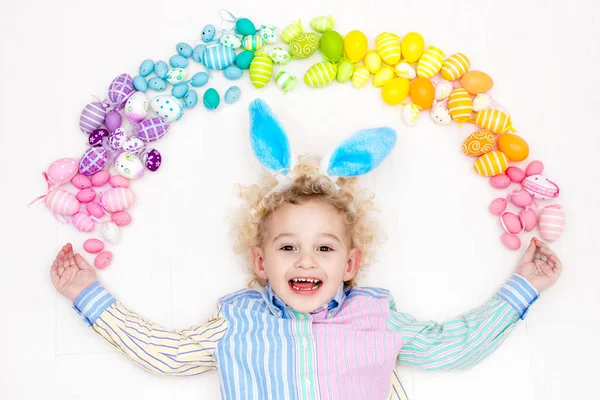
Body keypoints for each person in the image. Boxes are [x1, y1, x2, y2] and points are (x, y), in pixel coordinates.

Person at [50, 99, 562, 399]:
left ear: (351, 263)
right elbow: (168, 354)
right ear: (260, 261)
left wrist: (525, 287)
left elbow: (454, 346)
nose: (306, 260)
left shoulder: (374, 315)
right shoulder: (239, 320)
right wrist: (87, 295)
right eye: (288, 246)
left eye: (324, 248)